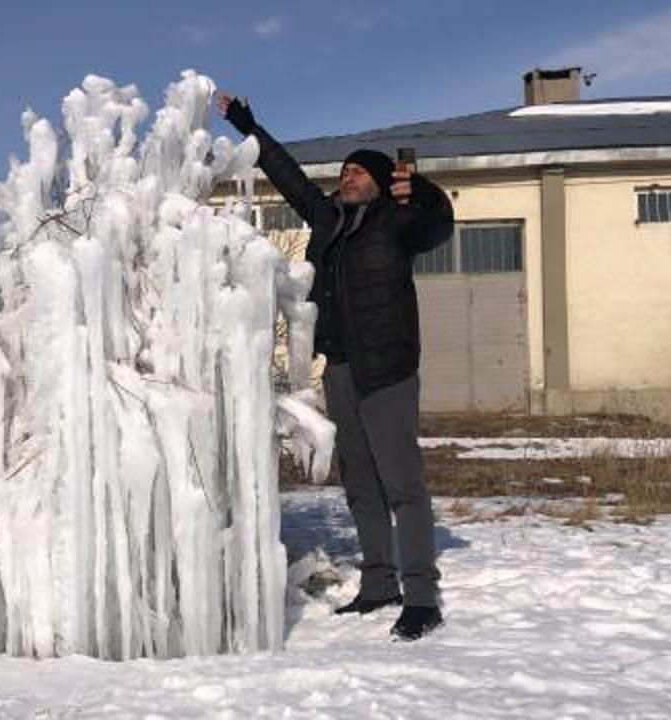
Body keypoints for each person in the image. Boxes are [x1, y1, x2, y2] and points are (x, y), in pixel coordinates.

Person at [216, 92, 454, 641]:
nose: (348, 178)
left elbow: (439, 224)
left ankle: (420, 594)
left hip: (389, 367)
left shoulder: (398, 221)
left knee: (403, 485)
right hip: (342, 367)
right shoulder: (328, 222)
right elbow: (290, 177)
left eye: (358, 172)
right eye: (344, 171)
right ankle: (379, 583)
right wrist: (246, 124)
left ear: (377, 180)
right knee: (361, 486)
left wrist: (419, 191)